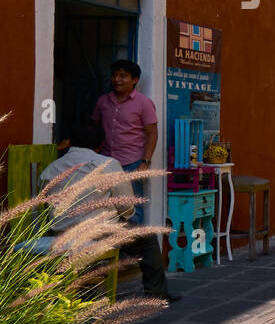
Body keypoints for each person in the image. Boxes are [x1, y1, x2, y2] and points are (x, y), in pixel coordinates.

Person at [40, 121, 179, 302]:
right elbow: (126, 207)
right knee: (148, 239)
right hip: (100, 233)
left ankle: (88, 289)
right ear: (100, 145)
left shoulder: (51, 169)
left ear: (70, 141)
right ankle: (157, 295)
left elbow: (45, 206)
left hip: (61, 233)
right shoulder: (108, 164)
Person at [91, 58, 159, 225]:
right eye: (114, 75)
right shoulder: (103, 101)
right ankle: (112, 247)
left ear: (134, 80)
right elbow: (93, 127)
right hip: (106, 162)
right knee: (105, 206)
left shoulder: (143, 103)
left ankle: (132, 248)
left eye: (123, 76)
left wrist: (145, 161)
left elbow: (152, 133)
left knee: (132, 208)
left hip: (132, 163)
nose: (117, 79)